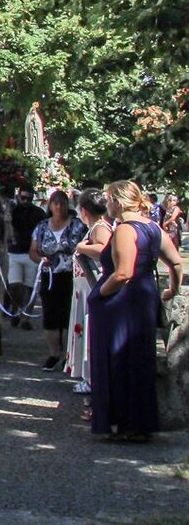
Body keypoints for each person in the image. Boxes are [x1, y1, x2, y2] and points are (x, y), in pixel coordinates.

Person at [89, 181, 183, 441]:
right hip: (144, 297)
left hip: (121, 301)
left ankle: (121, 423)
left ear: (118, 202)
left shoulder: (125, 229)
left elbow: (123, 273)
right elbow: (175, 262)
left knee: (118, 358)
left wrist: (99, 294)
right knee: (140, 358)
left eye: (108, 199)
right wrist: (172, 290)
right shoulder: (153, 227)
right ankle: (140, 422)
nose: (106, 204)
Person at [29, 190, 86, 371]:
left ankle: (69, 355)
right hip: (50, 275)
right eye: (56, 203)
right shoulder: (42, 226)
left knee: (69, 314)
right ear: (50, 206)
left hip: (72, 275)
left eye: (62, 203)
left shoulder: (77, 225)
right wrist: (41, 260)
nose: (59, 207)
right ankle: (53, 354)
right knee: (51, 314)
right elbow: (33, 251)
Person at [68, 189, 113, 413]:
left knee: (90, 335)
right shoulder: (94, 227)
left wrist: (80, 246)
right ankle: (88, 380)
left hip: (92, 290)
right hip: (84, 289)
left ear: (84, 210)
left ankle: (92, 383)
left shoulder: (100, 227)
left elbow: (102, 249)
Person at [7, 188, 47, 330]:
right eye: (23, 198)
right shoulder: (12, 211)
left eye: (29, 199)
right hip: (13, 252)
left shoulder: (38, 213)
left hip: (31, 253)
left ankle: (26, 318)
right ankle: (16, 309)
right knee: (15, 285)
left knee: (30, 287)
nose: (25, 201)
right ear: (18, 196)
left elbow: (44, 230)